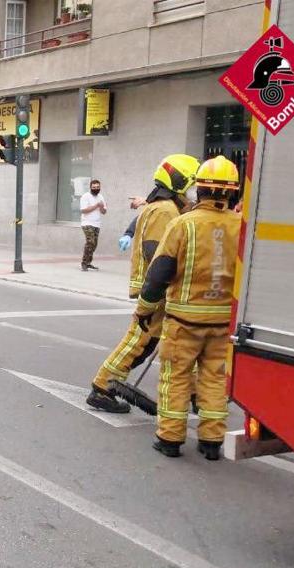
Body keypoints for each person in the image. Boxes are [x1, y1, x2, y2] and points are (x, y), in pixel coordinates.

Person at [134, 156, 241, 459]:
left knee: (176, 378)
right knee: (214, 379)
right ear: (232, 192)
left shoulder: (183, 225)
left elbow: (158, 275)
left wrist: (144, 310)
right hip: (223, 324)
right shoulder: (241, 228)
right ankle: (211, 442)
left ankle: (170, 439)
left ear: (199, 189)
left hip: (184, 322)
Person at [86, 154, 201, 413]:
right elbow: (157, 252)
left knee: (167, 340)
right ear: (179, 182)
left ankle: (196, 394)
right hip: (158, 291)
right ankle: (102, 387)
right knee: (141, 341)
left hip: (157, 289)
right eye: (192, 185)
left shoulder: (162, 207)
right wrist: (162, 286)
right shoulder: (164, 210)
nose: (194, 192)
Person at [79, 179, 107, 271]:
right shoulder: (85, 196)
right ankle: (84, 263)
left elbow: (104, 212)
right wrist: (96, 206)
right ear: (90, 187)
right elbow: (83, 210)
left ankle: (88, 262)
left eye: (98, 187)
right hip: (87, 223)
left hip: (96, 224)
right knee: (90, 242)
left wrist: (102, 207)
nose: (96, 189)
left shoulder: (101, 197)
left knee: (94, 244)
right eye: (94, 187)